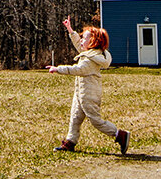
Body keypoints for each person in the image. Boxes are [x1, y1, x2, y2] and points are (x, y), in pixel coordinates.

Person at [47, 16, 129, 154]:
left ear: (93, 41)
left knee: (96, 120)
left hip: (89, 94)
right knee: (75, 117)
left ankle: (119, 134)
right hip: (81, 93)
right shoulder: (89, 53)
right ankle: (70, 142)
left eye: (84, 38)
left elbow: (78, 70)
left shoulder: (90, 59)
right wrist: (70, 30)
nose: (81, 40)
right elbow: (78, 44)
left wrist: (58, 69)